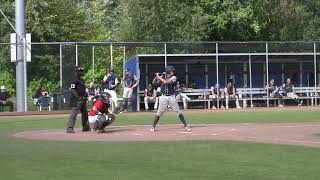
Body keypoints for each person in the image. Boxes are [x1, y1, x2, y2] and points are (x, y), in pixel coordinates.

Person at [150, 65, 191, 132]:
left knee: (178, 111)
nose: (173, 72)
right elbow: (154, 83)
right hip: (163, 97)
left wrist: (158, 77)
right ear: (168, 71)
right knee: (159, 112)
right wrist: (156, 76)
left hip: (171, 97)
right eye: (171, 71)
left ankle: (186, 126)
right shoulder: (163, 77)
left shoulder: (174, 77)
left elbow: (166, 82)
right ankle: (153, 126)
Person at [66, 66, 90, 133]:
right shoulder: (74, 79)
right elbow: (72, 89)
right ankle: (69, 128)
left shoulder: (82, 80)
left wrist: (85, 96)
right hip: (76, 99)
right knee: (74, 114)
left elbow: (83, 89)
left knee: (85, 113)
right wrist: (78, 97)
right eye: (80, 71)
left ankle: (85, 127)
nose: (81, 72)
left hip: (83, 98)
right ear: (76, 72)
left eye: (82, 71)